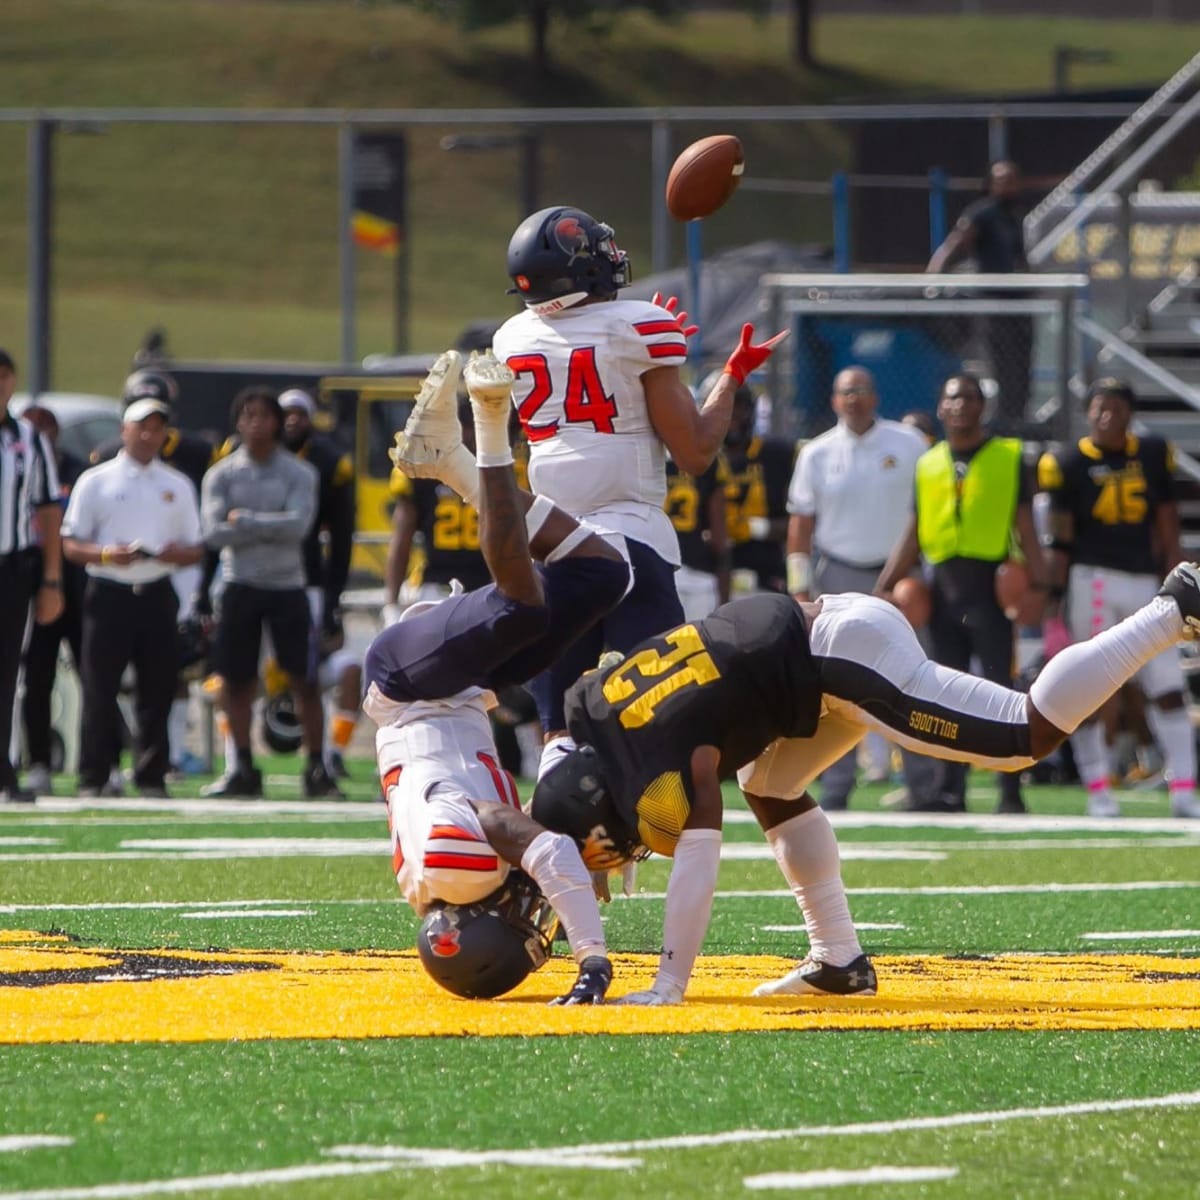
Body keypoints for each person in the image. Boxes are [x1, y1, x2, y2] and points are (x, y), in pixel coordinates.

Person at [531, 568, 1200, 1005]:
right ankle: (840, 961)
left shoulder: (662, 759)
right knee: (770, 783)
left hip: (843, 656)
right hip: (816, 655)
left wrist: (669, 983)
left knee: (1022, 735)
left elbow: (703, 850)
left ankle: (1172, 610)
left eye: (600, 853)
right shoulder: (593, 707)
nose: (615, 862)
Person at [367, 348, 630, 1002]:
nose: (533, 920)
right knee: (604, 572)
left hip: (409, 686)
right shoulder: (447, 891)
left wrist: (592, 954)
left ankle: (489, 427)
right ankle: (449, 462)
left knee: (520, 606)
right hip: (459, 692)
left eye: (524, 927)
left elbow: (536, 846)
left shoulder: (453, 876)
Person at [485, 205, 786, 745]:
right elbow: (694, 453)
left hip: (553, 544)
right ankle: (673, 830)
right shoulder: (641, 325)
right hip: (630, 538)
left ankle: (560, 828)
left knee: (560, 732)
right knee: (662, 725)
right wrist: (730, 377)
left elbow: (585, 355)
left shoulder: (511, 337)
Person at [877, 372, 1046, 814]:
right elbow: (913, 532)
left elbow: (1026, 526)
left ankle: (1011, 791)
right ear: (941, 407)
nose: (961, 405)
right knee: (943, 695)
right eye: (953, 398)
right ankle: (949, 790)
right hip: (942, 590)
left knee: (1000, 692)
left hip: (988, 589)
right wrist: (883, 585)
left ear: (982, 406)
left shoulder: (1009, 456)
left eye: (970, 398)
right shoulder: (929, 461)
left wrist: (1044, 585)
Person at [1038, 378, 1200, 819]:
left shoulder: (1150, 453)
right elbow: (1061, 535)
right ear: (1087, 413)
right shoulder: (1068, 461)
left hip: (1145, 581)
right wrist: (1052, 592)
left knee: (1167, 685)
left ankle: (1184, 789)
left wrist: (1176, 570)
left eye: (1116, 409)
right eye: (1099, 408)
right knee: (1091, 688)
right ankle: (1097, 789)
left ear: (1130, 415)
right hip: (1092, 581)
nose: (1107, 417)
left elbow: (1166, 519)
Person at [785, 366, 932, 811]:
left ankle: (926, 787)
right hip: (838, 574)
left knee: (914, 678)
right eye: (847, 392)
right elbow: (801, 525)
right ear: (834, 400)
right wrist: (800, 587)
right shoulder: (817, 452)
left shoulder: (909, 444)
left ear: (876, 396)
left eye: (863, 390)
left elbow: (926, 508)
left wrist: (912, 574)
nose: (855, 399)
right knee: (833, 687)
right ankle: (835, 787)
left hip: (899, 575)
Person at [61, 394, 205, 798]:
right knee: (99, 687)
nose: (148, 434)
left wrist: (175, 555)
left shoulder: (175, 484)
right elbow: (71, 543)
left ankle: (151, 773)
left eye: (157, 427)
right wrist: (108, 555)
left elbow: (195, 546)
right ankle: (94, 774)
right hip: (108, 590)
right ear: (124, 430)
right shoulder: (97, 480)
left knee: (157, 687)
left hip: (156, 589)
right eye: (141, 426)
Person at [199, 386, 338, 799]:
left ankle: (317, 766)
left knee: (304, 679)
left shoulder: (300, 473)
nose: (255, 423)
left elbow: (299, 526)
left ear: (277, 422)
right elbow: (212, 532)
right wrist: (266, 525)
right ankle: (240, 763)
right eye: (248, 415)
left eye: (263, 415)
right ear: (238, 422)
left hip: (286, 584)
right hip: (239, 583)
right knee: (236, 680)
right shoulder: (221, 474)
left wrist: (246, 522)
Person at [92, 370, 217, 776]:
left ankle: (169, 755)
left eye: (156, 425)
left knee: (171, 672)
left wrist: (198, 588)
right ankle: (108, 760)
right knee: (113, 678)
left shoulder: (195, 456)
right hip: (116, 582)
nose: (149, 434)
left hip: (175, 572)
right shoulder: (104, 461)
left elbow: (201, 533)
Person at [0, 350, 64, 804]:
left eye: (4, 376)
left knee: (7, 671)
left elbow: (47, 510)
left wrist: (52, 579)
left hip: (13, 565)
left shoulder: (27, 438)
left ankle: (4, 766)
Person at [927, 160, 1032, 431]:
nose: (1009, 185)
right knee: (1001, 365)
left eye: (1013, 179)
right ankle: (1000, 421)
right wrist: (931, 279)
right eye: (1002, 180)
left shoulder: (1014, 217)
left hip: (1018, 303)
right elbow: (954, 245)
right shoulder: (981, 213)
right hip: (993, 304)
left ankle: (1017, 420)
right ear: (991, 184)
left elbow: (1021, 259)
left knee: (1021, 368)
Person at [19, 406, 86, 795]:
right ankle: (37, 761)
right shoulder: (18, 463)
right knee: (35, 675)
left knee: (91, 673)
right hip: (28, 579)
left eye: (47, 426)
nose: (41, 433)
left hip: (72, 582)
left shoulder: (78, 471)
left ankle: (102, 762)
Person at [278, 388, 356, 654]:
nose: (292, 421)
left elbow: (341, 535)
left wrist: (333, 593)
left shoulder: (330, 462)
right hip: (252, 572)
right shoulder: (246, 453)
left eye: (299, 414)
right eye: (286, 414)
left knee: (308, 659)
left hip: (307, 570)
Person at [723, 380, 793, 595]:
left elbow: (799, 525)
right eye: (724, 407)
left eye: (739, 407)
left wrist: (752, 528)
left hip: (765, 569)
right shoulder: (693, 459)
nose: (732, 415)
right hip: (710, 572)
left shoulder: (777, 454)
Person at [665, 453, 730, 623]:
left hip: (659, 564)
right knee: (699, 646)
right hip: (698, 569)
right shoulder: (705, 456)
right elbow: (719, 534)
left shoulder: (644, 452)